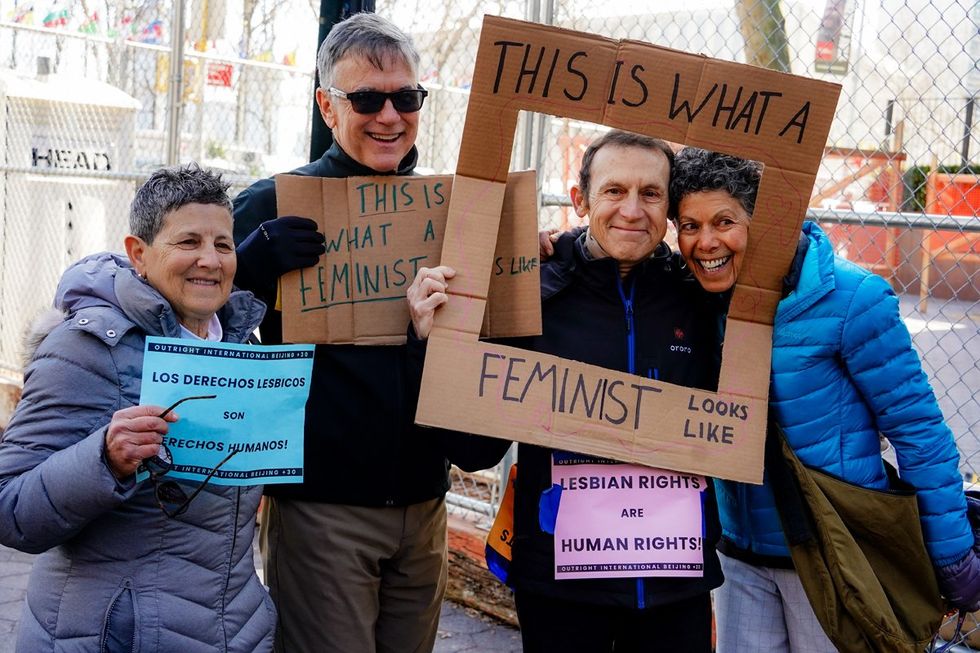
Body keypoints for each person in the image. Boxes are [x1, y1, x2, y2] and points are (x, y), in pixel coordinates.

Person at [408, 130, 722, 653]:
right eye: (614, 190)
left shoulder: (701, 297)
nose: (632, 210)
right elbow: (474, 449)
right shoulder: (532, 294)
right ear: (580, 200)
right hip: (560, 587)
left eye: (650, 193)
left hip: (674, 584)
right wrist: (430, 347)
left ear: (669, 208)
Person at [668, 146, 980, 652]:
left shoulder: (853, 300)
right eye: (689, 225)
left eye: (724, 221)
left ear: (766, 221)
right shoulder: (690, 300)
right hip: (740, 557)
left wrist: (952, 555)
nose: (705, 242)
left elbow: (918, 432)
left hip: (836, 556)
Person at [231, 12, 450, 653]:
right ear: (327, 107)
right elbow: (194, 321)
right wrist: (247, 264)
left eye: (406, 98)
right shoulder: (272, 205)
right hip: (323, 507)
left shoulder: (448, 211)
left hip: (424, 501)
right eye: (367, 100)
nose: (390, 116)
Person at [0, 164, 274, 652]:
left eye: (223, 244)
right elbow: (11, 509)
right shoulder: (85, 348)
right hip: (116, 634)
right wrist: (105, 459)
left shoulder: (243, 348)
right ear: (138, 254)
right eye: (188, 242)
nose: (210, 260)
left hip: (228, 630)